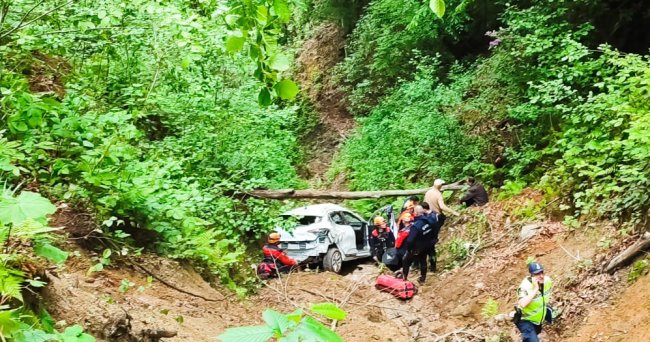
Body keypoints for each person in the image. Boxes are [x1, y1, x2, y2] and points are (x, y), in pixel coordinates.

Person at [515, 262, 555, 342]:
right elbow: (522, 303)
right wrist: (535, 289)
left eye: (542, 272)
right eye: (537, 274)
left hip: (538, 320)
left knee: (530, 338)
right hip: (525, 320)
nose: (541, 276)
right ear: (531, 276)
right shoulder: (524, 287)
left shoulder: (547, 281)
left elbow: (543, 298)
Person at [401, 205, 438, 284]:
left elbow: (410, 240)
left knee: (405, 261)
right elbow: (435, 229)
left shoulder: (416, 226)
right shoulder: (430, 220)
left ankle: (404, 278)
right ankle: (423, 279)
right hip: (427, 245)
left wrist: (408, 249)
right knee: (423, 261)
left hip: (417, 248)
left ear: (416, 213)